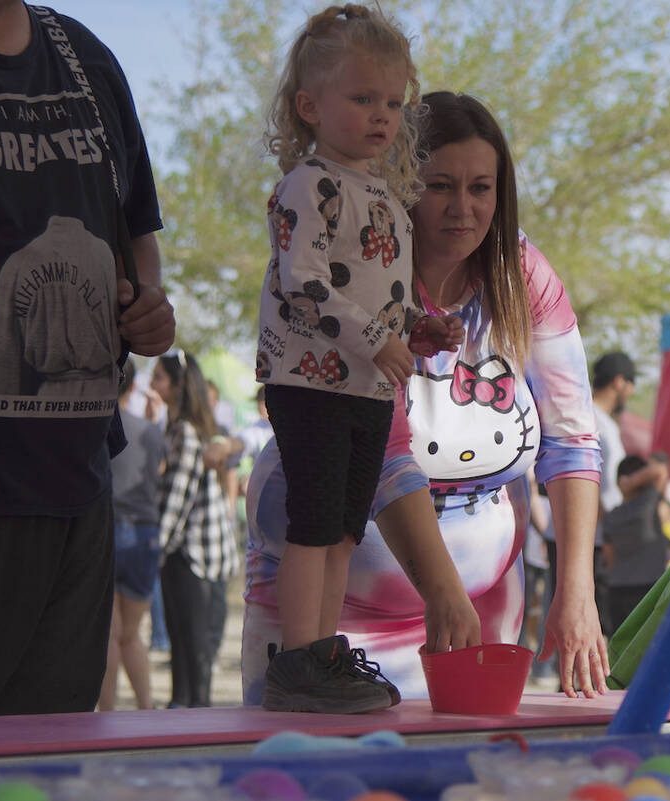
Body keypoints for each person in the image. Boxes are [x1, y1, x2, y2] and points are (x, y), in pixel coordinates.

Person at [243, 90, 605, 703]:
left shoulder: (524, 274)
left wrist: (577, 595)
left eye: (481, 188)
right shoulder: (351, 267)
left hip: (475, 607)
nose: (462, 209)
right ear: (401, 185)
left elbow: (572, 442)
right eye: (440, 185)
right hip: (333, 617)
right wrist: (442, 591)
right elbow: (384, 453)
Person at [0, 1, 175, 717]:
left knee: (48, 755)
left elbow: (137, 226)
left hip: (81, 482)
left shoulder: (86, 58)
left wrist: (148, 303)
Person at [254, 5, 467, 714]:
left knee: (347, 524)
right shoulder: (307, 185)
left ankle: (323, 648)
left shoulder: (379, 192)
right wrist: (376, 338)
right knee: (312, 523)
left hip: (366, 384)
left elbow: (377, 289)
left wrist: (415, 327)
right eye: (363, 99)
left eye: (393, 102)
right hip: (310, 379)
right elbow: (303, 282)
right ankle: (297, 658)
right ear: (310, 106)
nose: (382, 116)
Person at [152, 351, 239, 708]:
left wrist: (154, 548)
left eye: (158, 377)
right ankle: (183, 709)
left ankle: (194, 715)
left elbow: (177, 498)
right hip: (187, 549)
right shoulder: (179, 428)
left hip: (193, 553)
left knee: (192, 641)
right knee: (184, 639)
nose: (152, 383)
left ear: (176, 385)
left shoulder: (185, 433)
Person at [99, 359, 166, 711]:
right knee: (132, 635)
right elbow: (157, 472)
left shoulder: (99, 426)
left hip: (108, 529)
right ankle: (146, 710)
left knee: (108, 634)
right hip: (145, 534)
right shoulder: (153, 431)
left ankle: (106, 715)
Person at [590, 351, 638, 634]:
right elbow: (601, 487)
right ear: (619, 382)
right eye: (631, 384)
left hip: (591, 535)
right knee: (599, 622)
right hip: (597, 538)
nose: (631, 392)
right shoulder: (600, 425)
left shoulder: (591, 417)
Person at [603, 455, 670, 629]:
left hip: (617, 591)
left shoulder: (611, 517)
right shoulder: (647, 504)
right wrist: (632, 481)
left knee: (621, 653)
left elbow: (609, 558)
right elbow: (661, 470)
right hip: (649, 591)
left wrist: (624, 483)